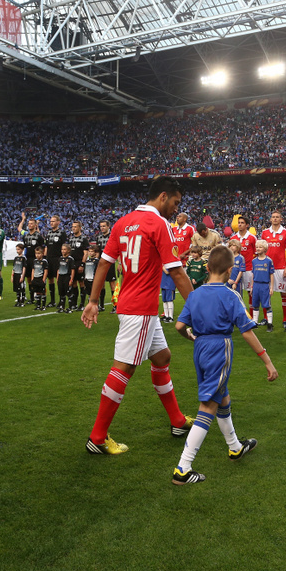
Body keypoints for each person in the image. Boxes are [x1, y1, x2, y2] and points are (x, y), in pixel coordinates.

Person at [80, 176, 196, 455]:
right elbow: (176, 271)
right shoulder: (159, 223)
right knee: (124, 368)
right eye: (176, 202)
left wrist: (94, 300)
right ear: (163, 196)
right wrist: (198, 307)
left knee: (162, 357)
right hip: (141, 309)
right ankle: (97, 438)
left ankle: (177, 421)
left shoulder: (123, 222)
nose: (176, 209)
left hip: (132, 305)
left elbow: (104, 263)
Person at [171, 245, 278, 485]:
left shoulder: (195, 294)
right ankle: (183, 468)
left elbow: (179, 326)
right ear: (230, 270)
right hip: (219, 348)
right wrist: (268, 362)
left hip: (200, 348)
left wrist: (190, 337)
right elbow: (247, 331)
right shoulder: (231, 295)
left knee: (222, 396)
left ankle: (235, 447)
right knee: (209, 404)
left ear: (207, 268)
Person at [261, 211, 286, 329]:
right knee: (266, 293)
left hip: (280, 267)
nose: (275, 219)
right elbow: (261, 249)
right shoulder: (265, 232)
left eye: (277, 217)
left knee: (283, 293)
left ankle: (285, 319)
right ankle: (266, 318)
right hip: (267, 267)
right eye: (273, 217)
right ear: (270, 219)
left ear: (281, 219)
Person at [229, 216, 257, 306]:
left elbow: (256, 253)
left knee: (250, 292)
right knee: (235, 291)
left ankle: (252, 313)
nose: (240, 224)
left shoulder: (252, 238)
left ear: (247, 225)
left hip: (248, 269)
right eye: (239, 223)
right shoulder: (233, 238)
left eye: (242, 223)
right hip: (235, 269)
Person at [249, 240, 274, 331]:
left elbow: (271, 274)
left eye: (260, 247)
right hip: (256, 285)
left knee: (267, 305)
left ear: (265, 249)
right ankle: (255, 322)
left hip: (264, 285)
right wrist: (252, 286)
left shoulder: (268, 261)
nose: (258, 249)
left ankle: (270, 323)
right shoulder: (254, 261)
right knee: (255, 304)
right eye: (257, 247)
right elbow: (253, 274)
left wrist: (271, 287)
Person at [44, 215, 68, 308]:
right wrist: (45, 257)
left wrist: (64, 258)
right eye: (50, 221)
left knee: (59, 280)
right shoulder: (48, 233)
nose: (51, 223)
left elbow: (64, 246)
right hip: (49, 259)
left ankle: (62, 300)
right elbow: (46, 246)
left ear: (58, 222)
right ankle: (52, 300)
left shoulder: (61, 233)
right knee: (50, 279)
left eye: (53, 221)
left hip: (58, 259)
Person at [93, 219, 117, 311]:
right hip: (101, 263)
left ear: (108, 226)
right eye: (101, 226)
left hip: (110, 262)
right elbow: (97, 251)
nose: (102, 228)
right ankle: (101, 305)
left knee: (112, 284)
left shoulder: (112, 236)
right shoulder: (98, 237)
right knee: (101, 284)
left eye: (104, 226)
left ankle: (115, 306)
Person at [67, 221, 89, 310]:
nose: (73, 228)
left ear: (80, 228)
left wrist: (82, 265)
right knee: (73, 283)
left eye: (75, 226)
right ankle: (74, 303)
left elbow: (86, 253)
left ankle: (82, 304)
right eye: (73, 226)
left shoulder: (83, 239)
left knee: (81, 283)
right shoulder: (71, 239)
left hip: (80, 263)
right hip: (72, 263)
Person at [56, 243, 75, 313]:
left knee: (68, 292)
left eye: (64, 249)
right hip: (61, 276)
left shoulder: (70, 259)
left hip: (67, 276)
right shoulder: (60, 258)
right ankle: (62, 307)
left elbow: (73, 270)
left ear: (68, 250)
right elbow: (58, 269)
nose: (63, 251)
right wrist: (57, 278)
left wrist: (71, 279)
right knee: (61, 292)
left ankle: (70, 307)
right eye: (62, 249)